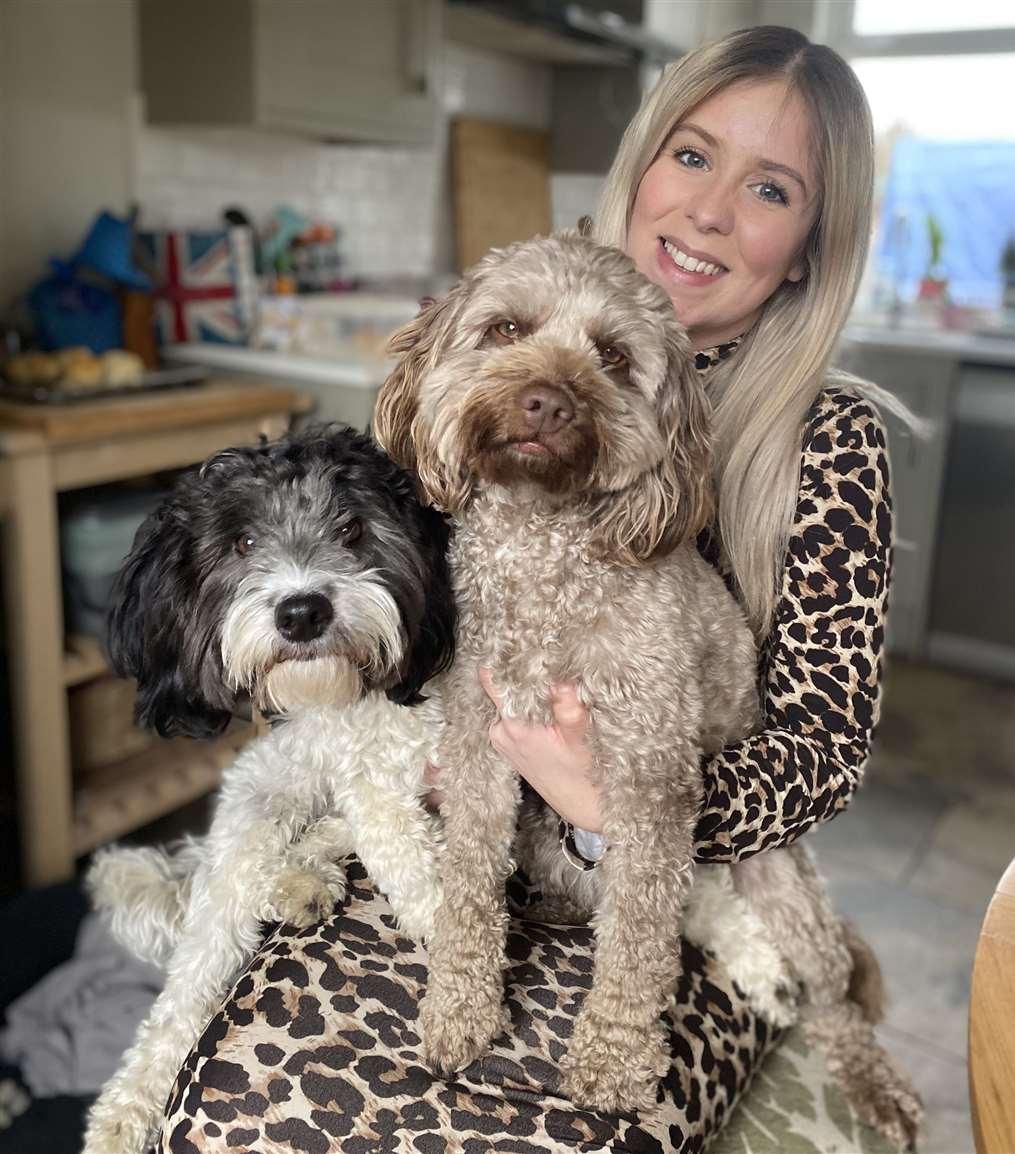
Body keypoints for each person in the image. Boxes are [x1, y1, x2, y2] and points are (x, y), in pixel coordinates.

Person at [158, 25, 895, 1153]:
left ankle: (842, 1022)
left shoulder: (832, 439)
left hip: (675, 858)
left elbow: (825, 751)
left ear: (807, 243)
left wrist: (608, 799)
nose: (707, 211)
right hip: (473, 832)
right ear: (643, 161)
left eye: (771, 187)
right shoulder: (483, 371)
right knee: (255, 1078)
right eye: (693, 157)